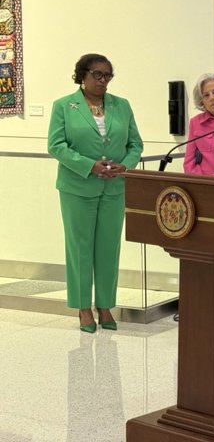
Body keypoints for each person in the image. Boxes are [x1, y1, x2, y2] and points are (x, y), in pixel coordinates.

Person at [47, 53, 143, 333]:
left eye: (108, 75)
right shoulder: (64, 106)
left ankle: (105, 305)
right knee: (80, 247)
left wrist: (126, 164)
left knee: (108, 248)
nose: (103, 80)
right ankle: (82, 307)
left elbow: (135, 144)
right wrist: (89, 165)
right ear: (82, 75)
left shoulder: (121, 105)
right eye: (97, 74)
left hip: (114, 187)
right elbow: (56, 145)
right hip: (77, 188)